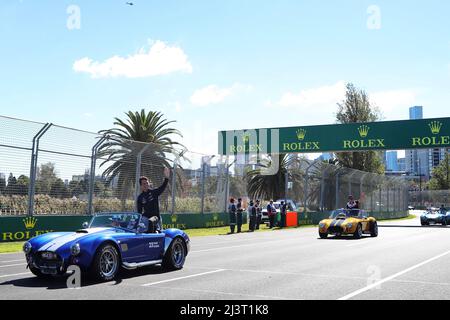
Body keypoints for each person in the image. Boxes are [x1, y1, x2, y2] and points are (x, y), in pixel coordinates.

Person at [136, 167, 170, 233]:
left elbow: (162, 187)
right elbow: (139, 212)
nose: (146, 185)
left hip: (156, 218)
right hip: (146, 218)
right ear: (141, 186)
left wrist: (166, 178)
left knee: (159, 234)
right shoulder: (140, 197)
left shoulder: (154, 192)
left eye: (147, 183)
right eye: (144, 184)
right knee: (142, 230)